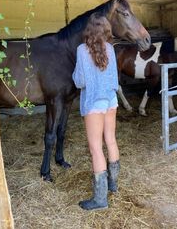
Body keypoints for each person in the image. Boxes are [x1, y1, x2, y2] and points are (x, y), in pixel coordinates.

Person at [72, 13, 120, 211]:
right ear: (106, 29)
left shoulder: (82, 50)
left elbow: (80, 81)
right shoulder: (110, 48)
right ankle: (113, 184)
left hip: (94, 102)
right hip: (111, 99)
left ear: (89, 29)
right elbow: (115, 78)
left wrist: (75, 73)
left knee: (96, 148)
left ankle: (100, 200)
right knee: (111, 140)